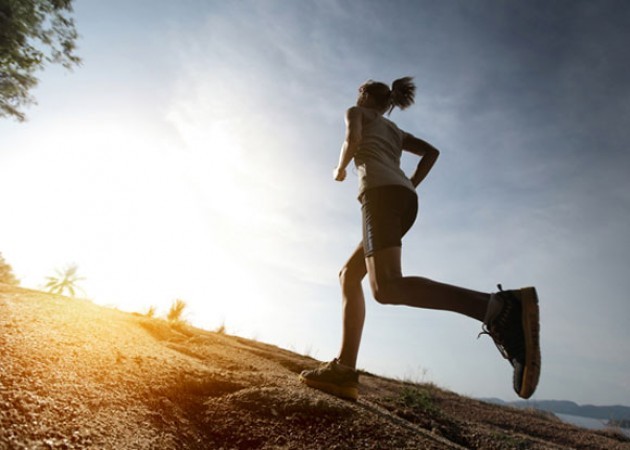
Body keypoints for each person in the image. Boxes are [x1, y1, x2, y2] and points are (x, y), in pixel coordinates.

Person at [299, 77, 540, 401]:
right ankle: (344, 370)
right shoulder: (395, 132)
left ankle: (499, 308)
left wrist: (340, 168)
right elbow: (431, 152)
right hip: (404, 199)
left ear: (363, 96)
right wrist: (410, 182)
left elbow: (351, 137)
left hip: (381, 196)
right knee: (349, 274)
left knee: (385, 287)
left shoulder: (357, 113)